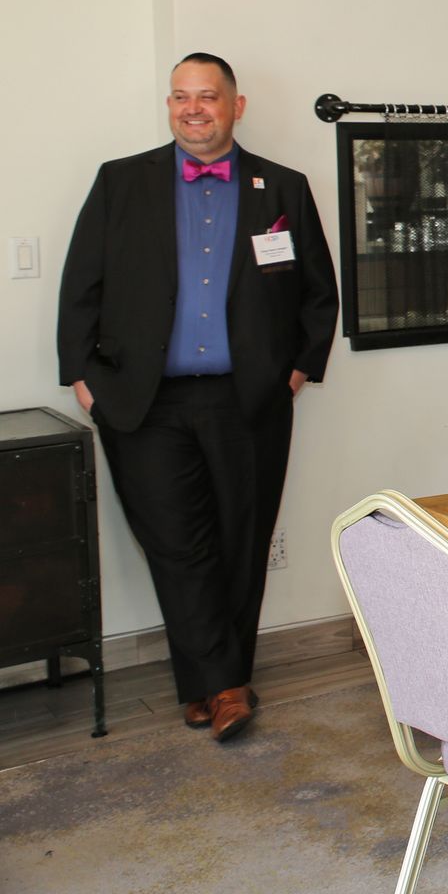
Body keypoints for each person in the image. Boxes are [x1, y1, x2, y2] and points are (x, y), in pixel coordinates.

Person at [57, 53, 337, 741]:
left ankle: (209, 685)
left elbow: (318, 295)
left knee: (242, 541)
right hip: (143, 401)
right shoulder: (123, 183)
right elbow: (80, 289)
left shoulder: (284, 188)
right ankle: (227, 686)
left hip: (248, 399)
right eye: (180, 96)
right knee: (179, 545)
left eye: (207, 97)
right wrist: (83, 382)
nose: (192, 109)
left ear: (236, 106)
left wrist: (296, 371)